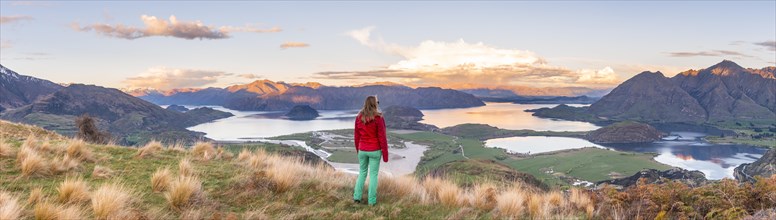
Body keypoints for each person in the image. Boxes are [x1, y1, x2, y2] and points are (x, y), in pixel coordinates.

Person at [352, 95, 389, 206]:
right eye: (377, 102)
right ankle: (371, 202)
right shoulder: (379, 118)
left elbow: (356, 137)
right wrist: (385, 155)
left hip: (362, 149)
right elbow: (382, 138)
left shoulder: (358, 117)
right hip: (374, 150)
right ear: (375, 104)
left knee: (362, 173)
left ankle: (357, 198)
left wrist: (358, 151)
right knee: (373, 176)